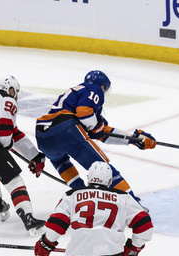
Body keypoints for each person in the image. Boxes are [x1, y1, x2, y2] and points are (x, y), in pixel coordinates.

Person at [35, 70, 156, 207]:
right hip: (65, 130)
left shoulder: (74, 96)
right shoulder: (94, 89)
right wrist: (97, 127)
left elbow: (101, 132)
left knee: (61, 162)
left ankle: (80, 195)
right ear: (103, 86)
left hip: (42, 134)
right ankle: (133, 205)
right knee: (103, 168)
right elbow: (85, 115)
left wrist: (132, 139)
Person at [0, 75, 46, 235]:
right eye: (15, 91)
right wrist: (4, 147)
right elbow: (4, 138)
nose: (15, 95)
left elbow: (14, 134)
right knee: (14, 180)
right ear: (9, 89)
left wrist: (34, 156)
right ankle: (29, 219)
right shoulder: (6, 99)